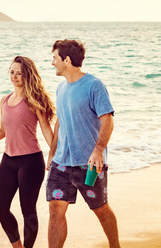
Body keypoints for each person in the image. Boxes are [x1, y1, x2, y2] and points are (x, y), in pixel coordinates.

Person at [0, 56, 55, 248]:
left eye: (19, 72)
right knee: (0, 208)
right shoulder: (5, 100)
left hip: (30, 161)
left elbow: (45, 129)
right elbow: (3, 131)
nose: (15, 76)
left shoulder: (34, 99)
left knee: (28, 210)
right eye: (12, 71)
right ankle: (17, 246)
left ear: (27, 75)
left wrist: (54, 155)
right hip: (8, 161)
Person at [46, 39, 120, 248]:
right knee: (55, 209)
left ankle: (115, 246)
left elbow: (108, 120)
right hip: (61, 163)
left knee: (100, 208)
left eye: (54, 58)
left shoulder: (93, 86)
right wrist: (52, 153)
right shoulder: (61, 88)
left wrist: (98, 151)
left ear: (66, 60)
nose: (52, 63)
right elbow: (59, 122)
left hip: (88, 164)